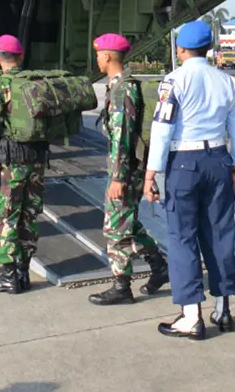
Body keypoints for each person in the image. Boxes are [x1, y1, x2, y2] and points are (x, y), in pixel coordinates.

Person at [144, 20, 235, 339]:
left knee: (182, 236)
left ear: (181, 48)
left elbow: (162, 128)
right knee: (220, 233)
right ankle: (223, 308)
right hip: (219, 160)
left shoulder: (173, 81)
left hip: (184, 162)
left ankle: (191, 315)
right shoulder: (227, 81)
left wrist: (151, 173)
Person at [87, 33, 168, 306]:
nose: (97, 59)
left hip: (126, 171)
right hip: (129, 168)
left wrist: (118, 177)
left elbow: (123, 136)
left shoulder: (123, 89)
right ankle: (160, 267)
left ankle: (122, 286)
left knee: (115, 228)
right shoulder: (118, 86)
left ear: (108, 56)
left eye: (99, 54)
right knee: (127, 224)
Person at [0, 35, 45, 295]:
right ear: (21, 55)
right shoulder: (35, 83)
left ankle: (8, 276)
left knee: (6, 216)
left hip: (11, 162)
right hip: (36, 159)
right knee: (29, 215)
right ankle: (24, 272)